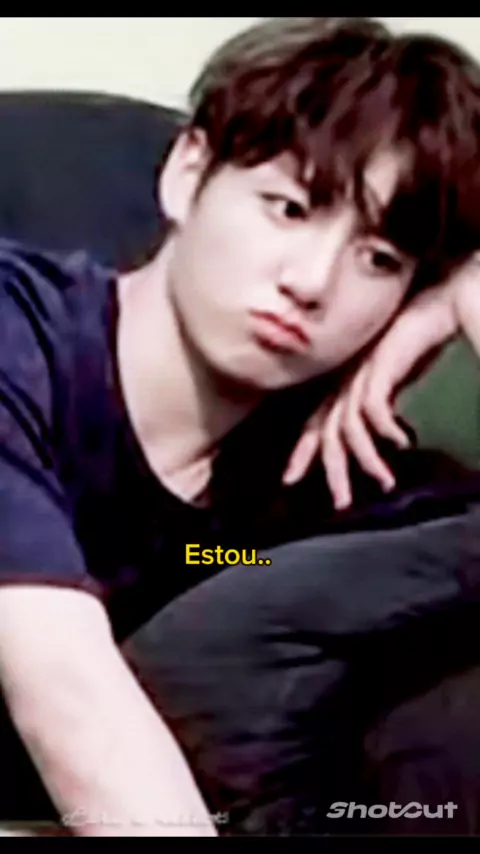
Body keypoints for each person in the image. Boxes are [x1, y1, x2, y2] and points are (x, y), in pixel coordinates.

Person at [2, 15, 480, 838]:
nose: (313, 282)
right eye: (290, 208)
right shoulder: (19, 331)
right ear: (188, 174)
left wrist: (462, 298)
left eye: (379, 259)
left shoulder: (321, 472)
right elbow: (61, 682)